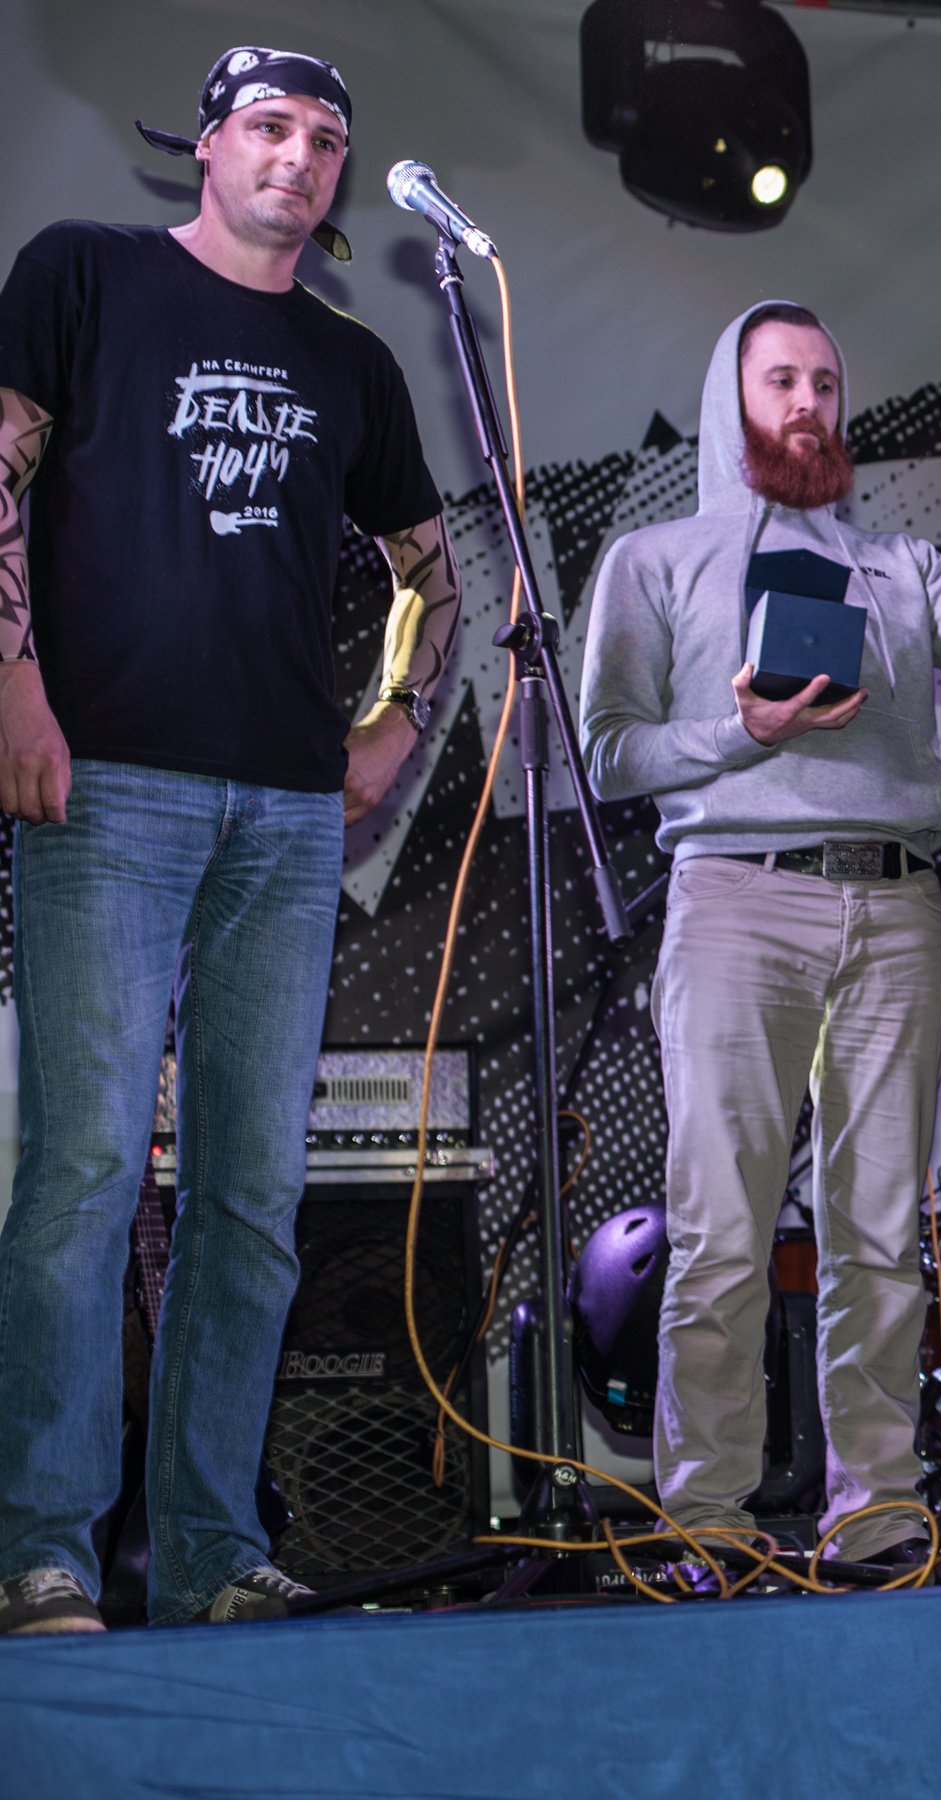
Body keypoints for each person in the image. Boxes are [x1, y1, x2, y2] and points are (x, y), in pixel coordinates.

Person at [0, 48, 460, 1635]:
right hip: (108, 781)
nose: (301, 156)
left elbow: (431, 566)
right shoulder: (85, 274)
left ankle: (206, 1551)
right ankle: (44, 1551)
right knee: (83, 1173)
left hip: (284, 812)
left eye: (328, 138)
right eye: (271, 126)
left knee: (253, 1194)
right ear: (206, 144)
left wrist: (396, 720)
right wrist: (13, 681)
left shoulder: (352, 360)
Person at [580, 301, 941, 1564]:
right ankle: (709, 1518)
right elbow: (608, 752)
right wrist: (740, 731)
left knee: (879, 1231)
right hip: (735, 897)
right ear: (730, 400)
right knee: (722, 1229)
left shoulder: (901, 565)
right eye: (779, 381)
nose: (807, 404)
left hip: (896, 904)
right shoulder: (655, 558)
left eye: (824, 383)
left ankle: (877, 1511)